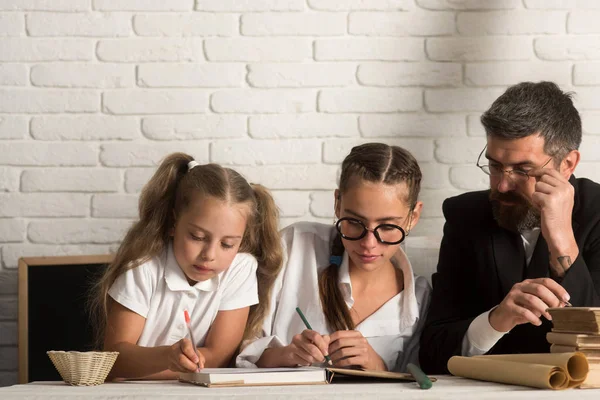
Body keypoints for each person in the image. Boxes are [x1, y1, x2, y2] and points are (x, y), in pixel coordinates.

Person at [419, 81, 600, 374]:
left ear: (567, 164)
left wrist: (562, 240)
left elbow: (597, 346)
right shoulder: (465, 216)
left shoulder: (597, 214)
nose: (502, 185)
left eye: (522, 170)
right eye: (494, 166)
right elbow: (433, 351)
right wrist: (494, 321)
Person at [237, 143, 431, 372]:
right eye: (355, 222)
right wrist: (286, 354)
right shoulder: (296, 245)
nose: (368, 244)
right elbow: (240, 354)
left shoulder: (418, 297)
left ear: (413, 216)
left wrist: (377, 366)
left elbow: (418, 380)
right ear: (338, 203)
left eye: (388, 226)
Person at [91, 153, 282, 379]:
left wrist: (149, 368)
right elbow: (114, 360)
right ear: (173, 224)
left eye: (227, 244)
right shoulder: (143, 268)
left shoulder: (240, 268)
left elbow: (219, 357)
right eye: (197, 237)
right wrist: (167, 358)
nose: (209, 255)